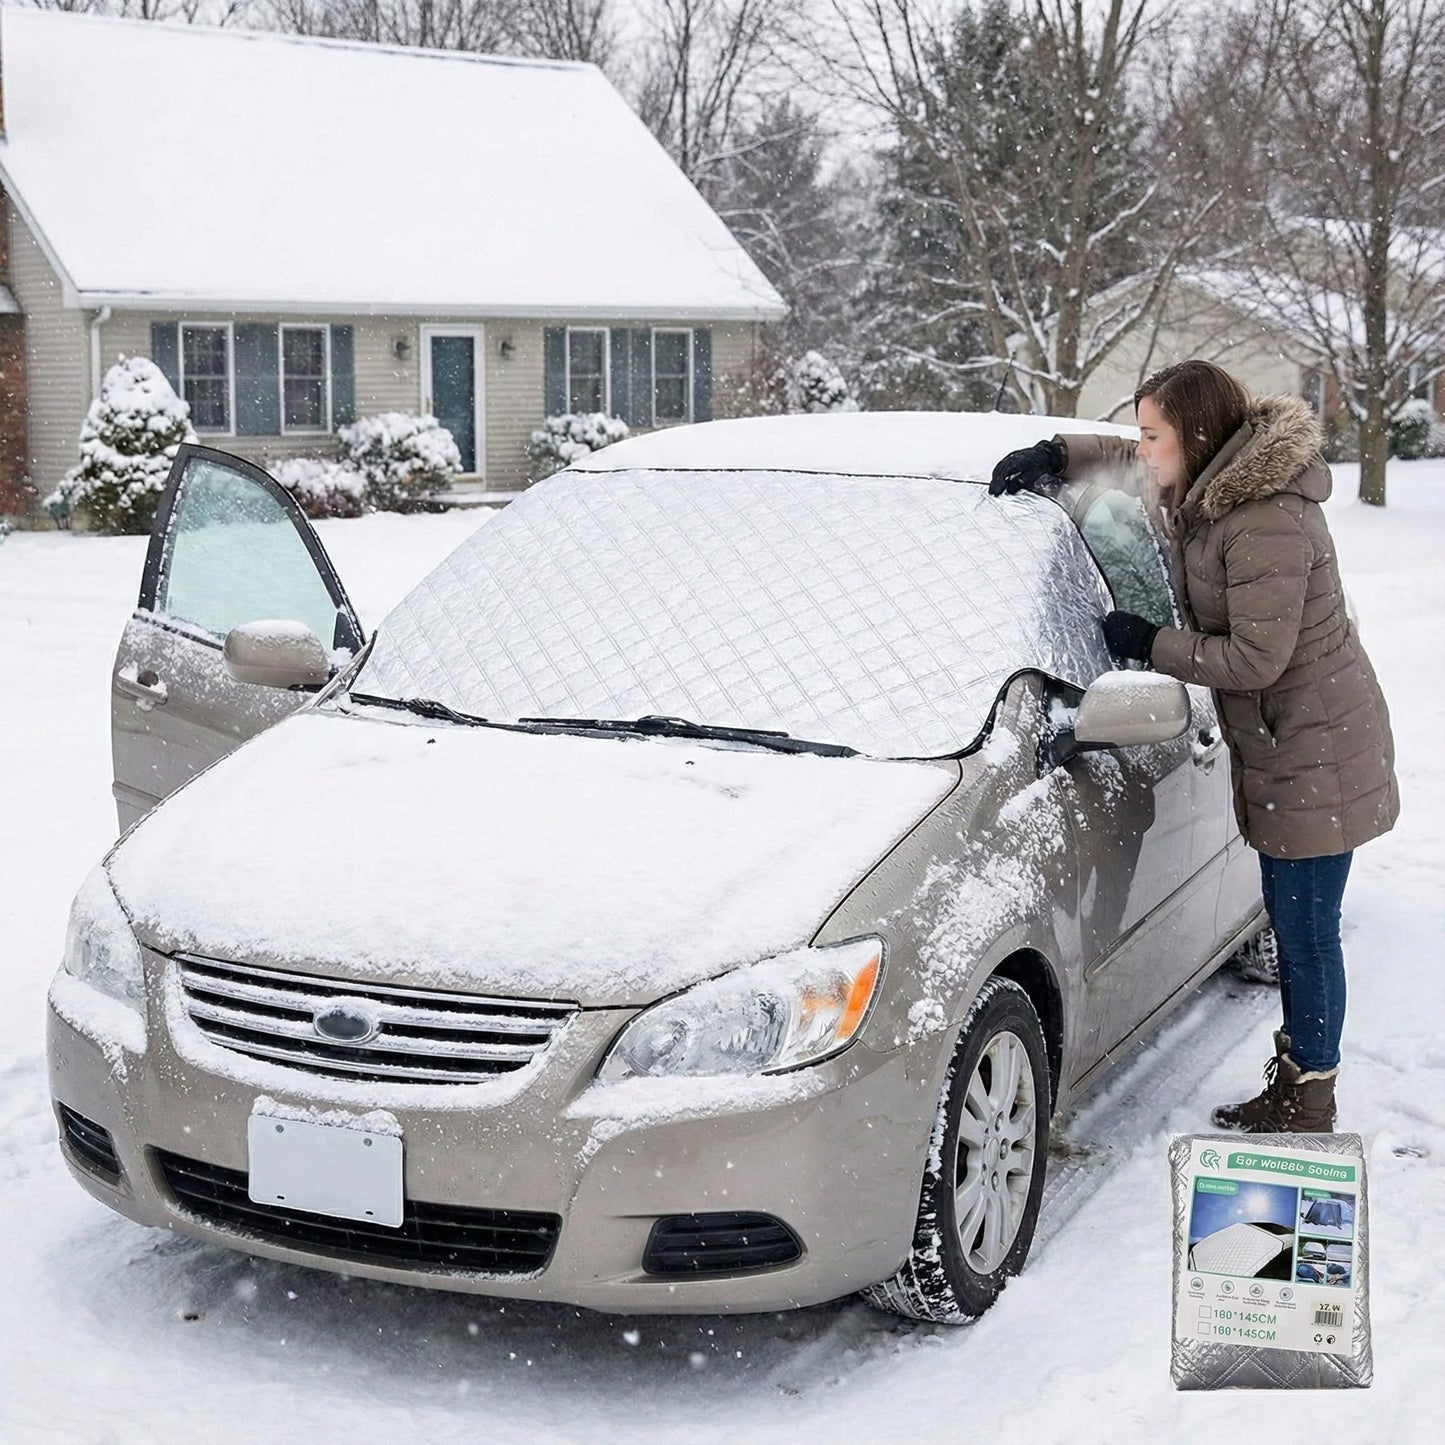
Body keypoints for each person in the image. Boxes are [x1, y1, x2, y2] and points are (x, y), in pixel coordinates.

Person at [989, 360, 1398, 1133]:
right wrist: (1059, 453)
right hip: (1289, 744)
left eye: (1154, 435)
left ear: (1197, 436)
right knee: (1293, 918)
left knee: (1305, 934)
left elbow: (1254, 661)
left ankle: (1307, 1098)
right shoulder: (1210, 480)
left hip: (1316, 751)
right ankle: (1300, 1078)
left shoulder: (1263, 518)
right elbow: (1125, 456)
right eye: (1141, 433)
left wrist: (1150, 642)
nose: (1143, 451)